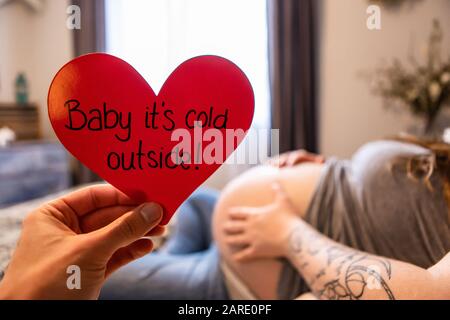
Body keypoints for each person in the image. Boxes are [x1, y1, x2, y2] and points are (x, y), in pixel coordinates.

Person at [1, 138, 450, 299]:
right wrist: (330, 165)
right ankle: (178, 250)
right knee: (192, 202)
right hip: (223, 213)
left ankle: (176, 260)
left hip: (245, 275)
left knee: (86, 280)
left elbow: (427, 296)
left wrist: (286, 232)